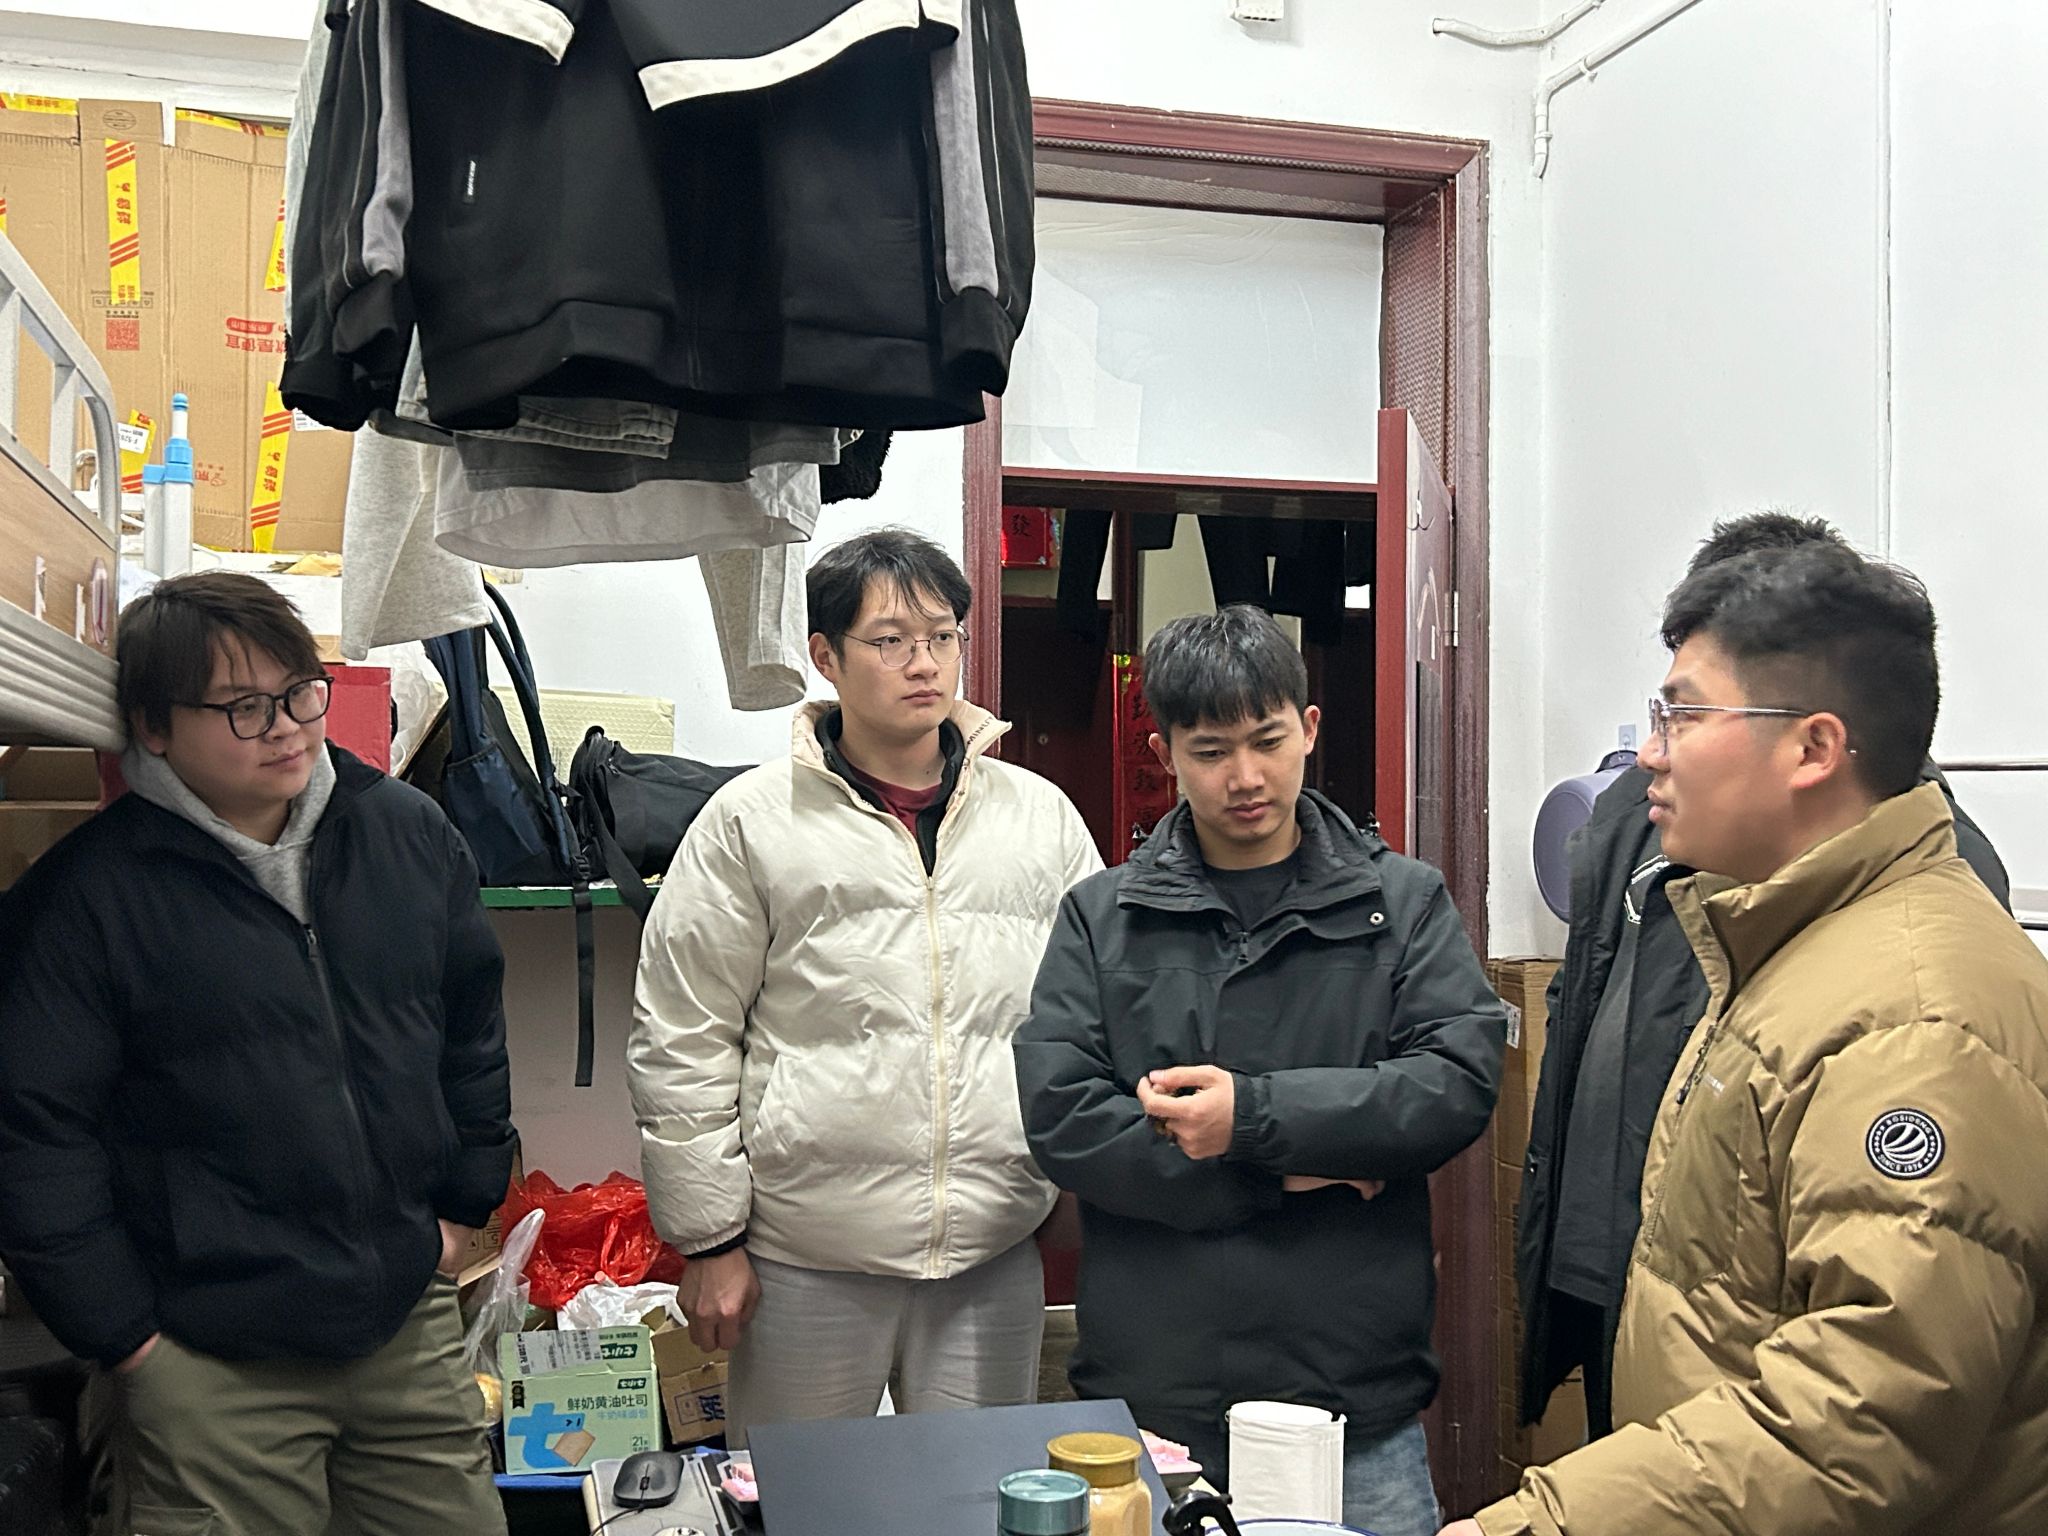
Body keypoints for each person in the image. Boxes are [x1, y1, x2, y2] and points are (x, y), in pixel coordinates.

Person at [1446, 541, 2048, 1536]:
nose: (1650, 753)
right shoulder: (1783, 941)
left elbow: (1858, 1416)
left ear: (1813, 748)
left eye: (1682, 715)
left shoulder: (1914, 1021)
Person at [0, 571, 515, 1536]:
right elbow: (34, 1136)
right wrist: (125, 1337)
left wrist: (460, 1212)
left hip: (399, 1323)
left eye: (299, 692)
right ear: (154, 727)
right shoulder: (86, 899)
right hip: (208, 1358)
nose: (285, 727)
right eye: (242, 707)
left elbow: (469, 1031)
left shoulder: (407, 835)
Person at [1014, 604, 1506, 1536]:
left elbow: (1455, 1080)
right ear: (1164, 753)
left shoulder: (1401, 904)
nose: (1245, 777)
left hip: (1353, 1398)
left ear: (1309, 730)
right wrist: (1285, 1172)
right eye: (1209, 751)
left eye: (1267, 741)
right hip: (1156, 1401)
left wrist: (1251, 1116)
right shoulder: (1102, 917)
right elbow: (1064, 1119)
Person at [629, 528, 1102, 1446]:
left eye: (941, 636)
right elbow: (681, 1033)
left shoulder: (1038, 818)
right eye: (889, 640)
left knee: (978, 1501)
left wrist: (1075, 1180)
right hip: (806, 1256)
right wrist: (710, 1240)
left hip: (991, 1251)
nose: (923, 663)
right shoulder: (751, 821)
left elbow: (1092, 1016)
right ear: (826, 656)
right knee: (804, 1502)